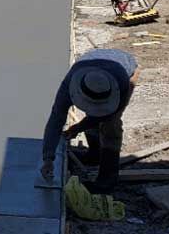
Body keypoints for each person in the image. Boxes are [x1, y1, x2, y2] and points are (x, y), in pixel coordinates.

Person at [39, 48, 139, 193]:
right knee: (94, 109)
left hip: (125, 70)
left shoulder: (121, 82)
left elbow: (106, 115)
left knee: (111, 124)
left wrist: (78, 127)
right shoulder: (69, 85)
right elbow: (56, 119)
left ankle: (107, 180)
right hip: (94, 65)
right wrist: (48, 158)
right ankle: (94, 155)